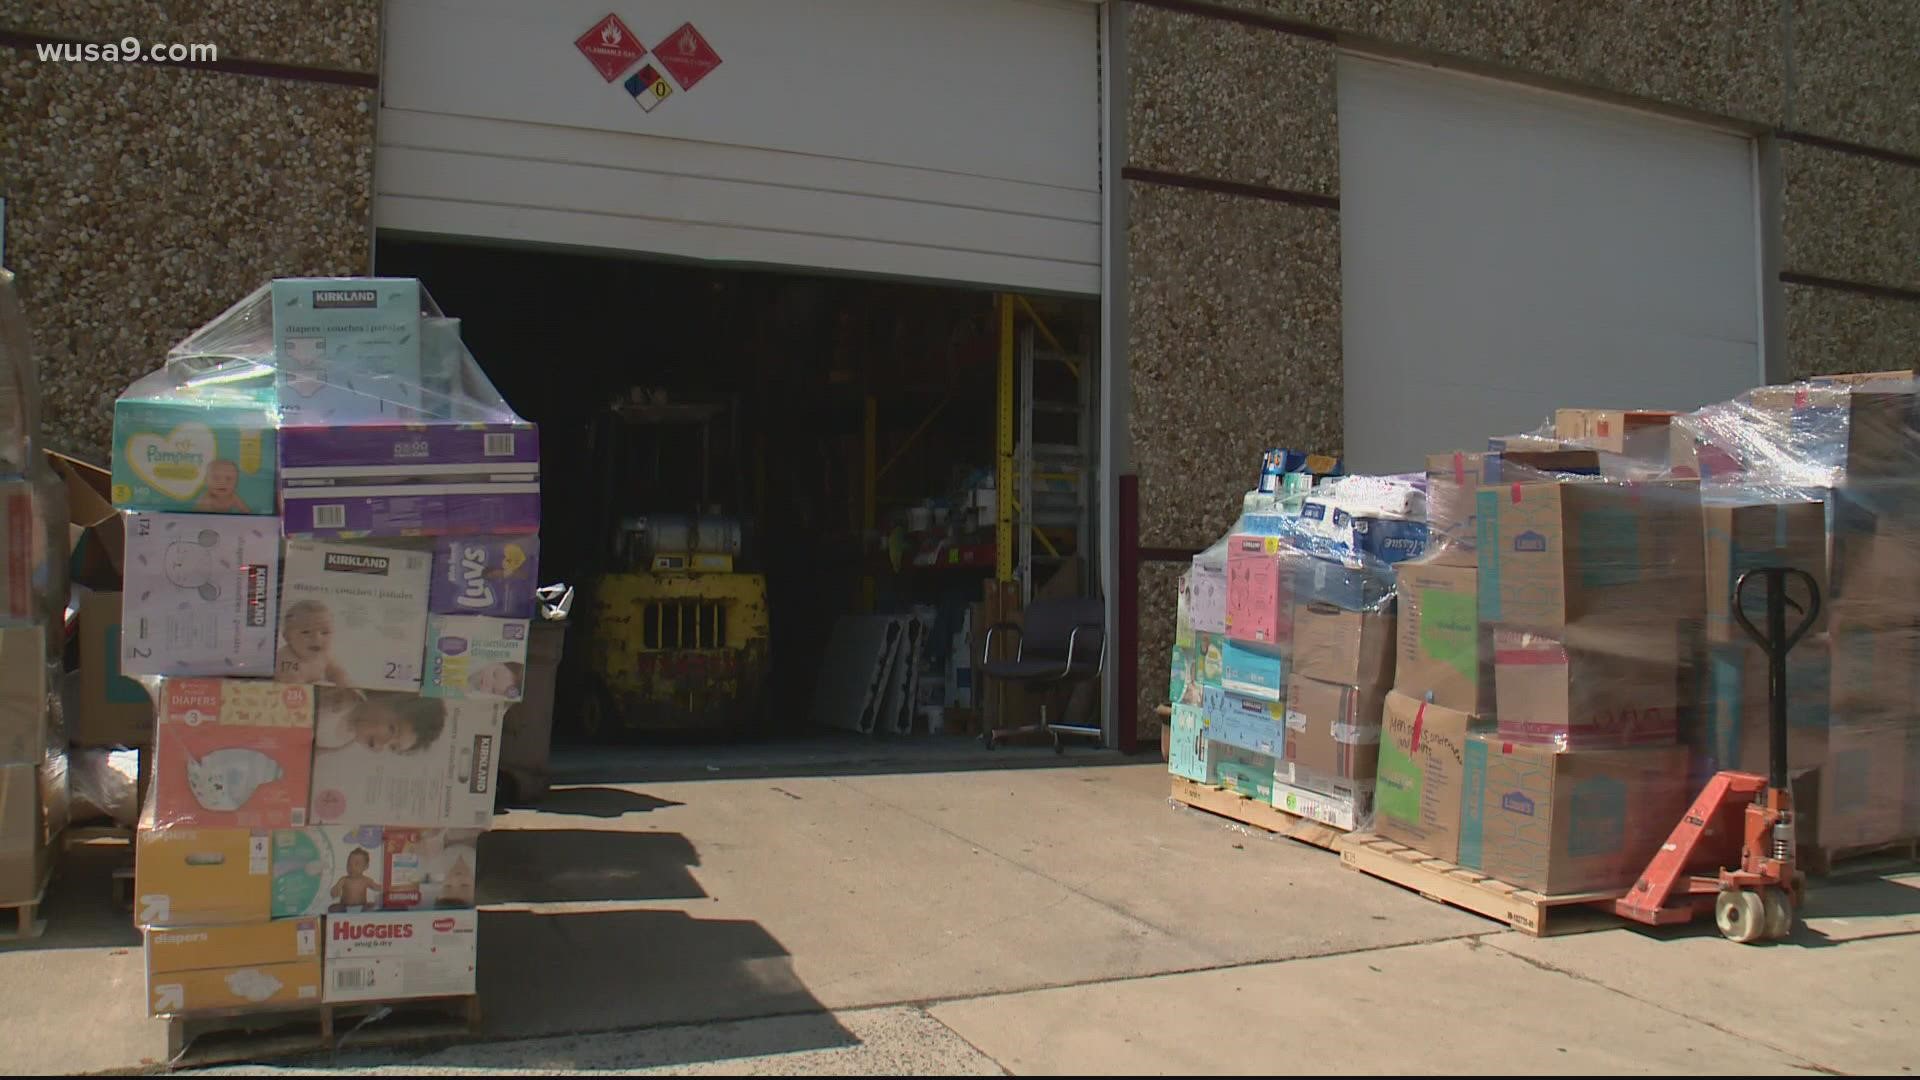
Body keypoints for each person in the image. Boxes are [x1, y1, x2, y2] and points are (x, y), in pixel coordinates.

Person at [315, 688, 447, 755]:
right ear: (387, 698)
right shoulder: (342, 700)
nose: (383, 744)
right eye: (391, 729)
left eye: (392, 747)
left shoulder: (344, 742)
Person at [279, 600, 350, 685]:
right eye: (306, 632)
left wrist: (345, 683)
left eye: (325, 632)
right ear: (287, 636)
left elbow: (337, 672)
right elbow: (292, 687)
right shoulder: (287, 661)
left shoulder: (325, 656)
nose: (316, 638)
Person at [328, 847, 381, 911]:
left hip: (362, 906)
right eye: (349, 864)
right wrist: (335, 891)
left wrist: (386, 887)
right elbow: (334, 890)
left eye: (356, 864)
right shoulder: (344, 880)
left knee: (373, 906)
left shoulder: (366, 880)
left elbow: (377, 887)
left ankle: (367, 910)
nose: (352, 867)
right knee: (332, 908)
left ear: (366, 866)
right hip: (345, 906)